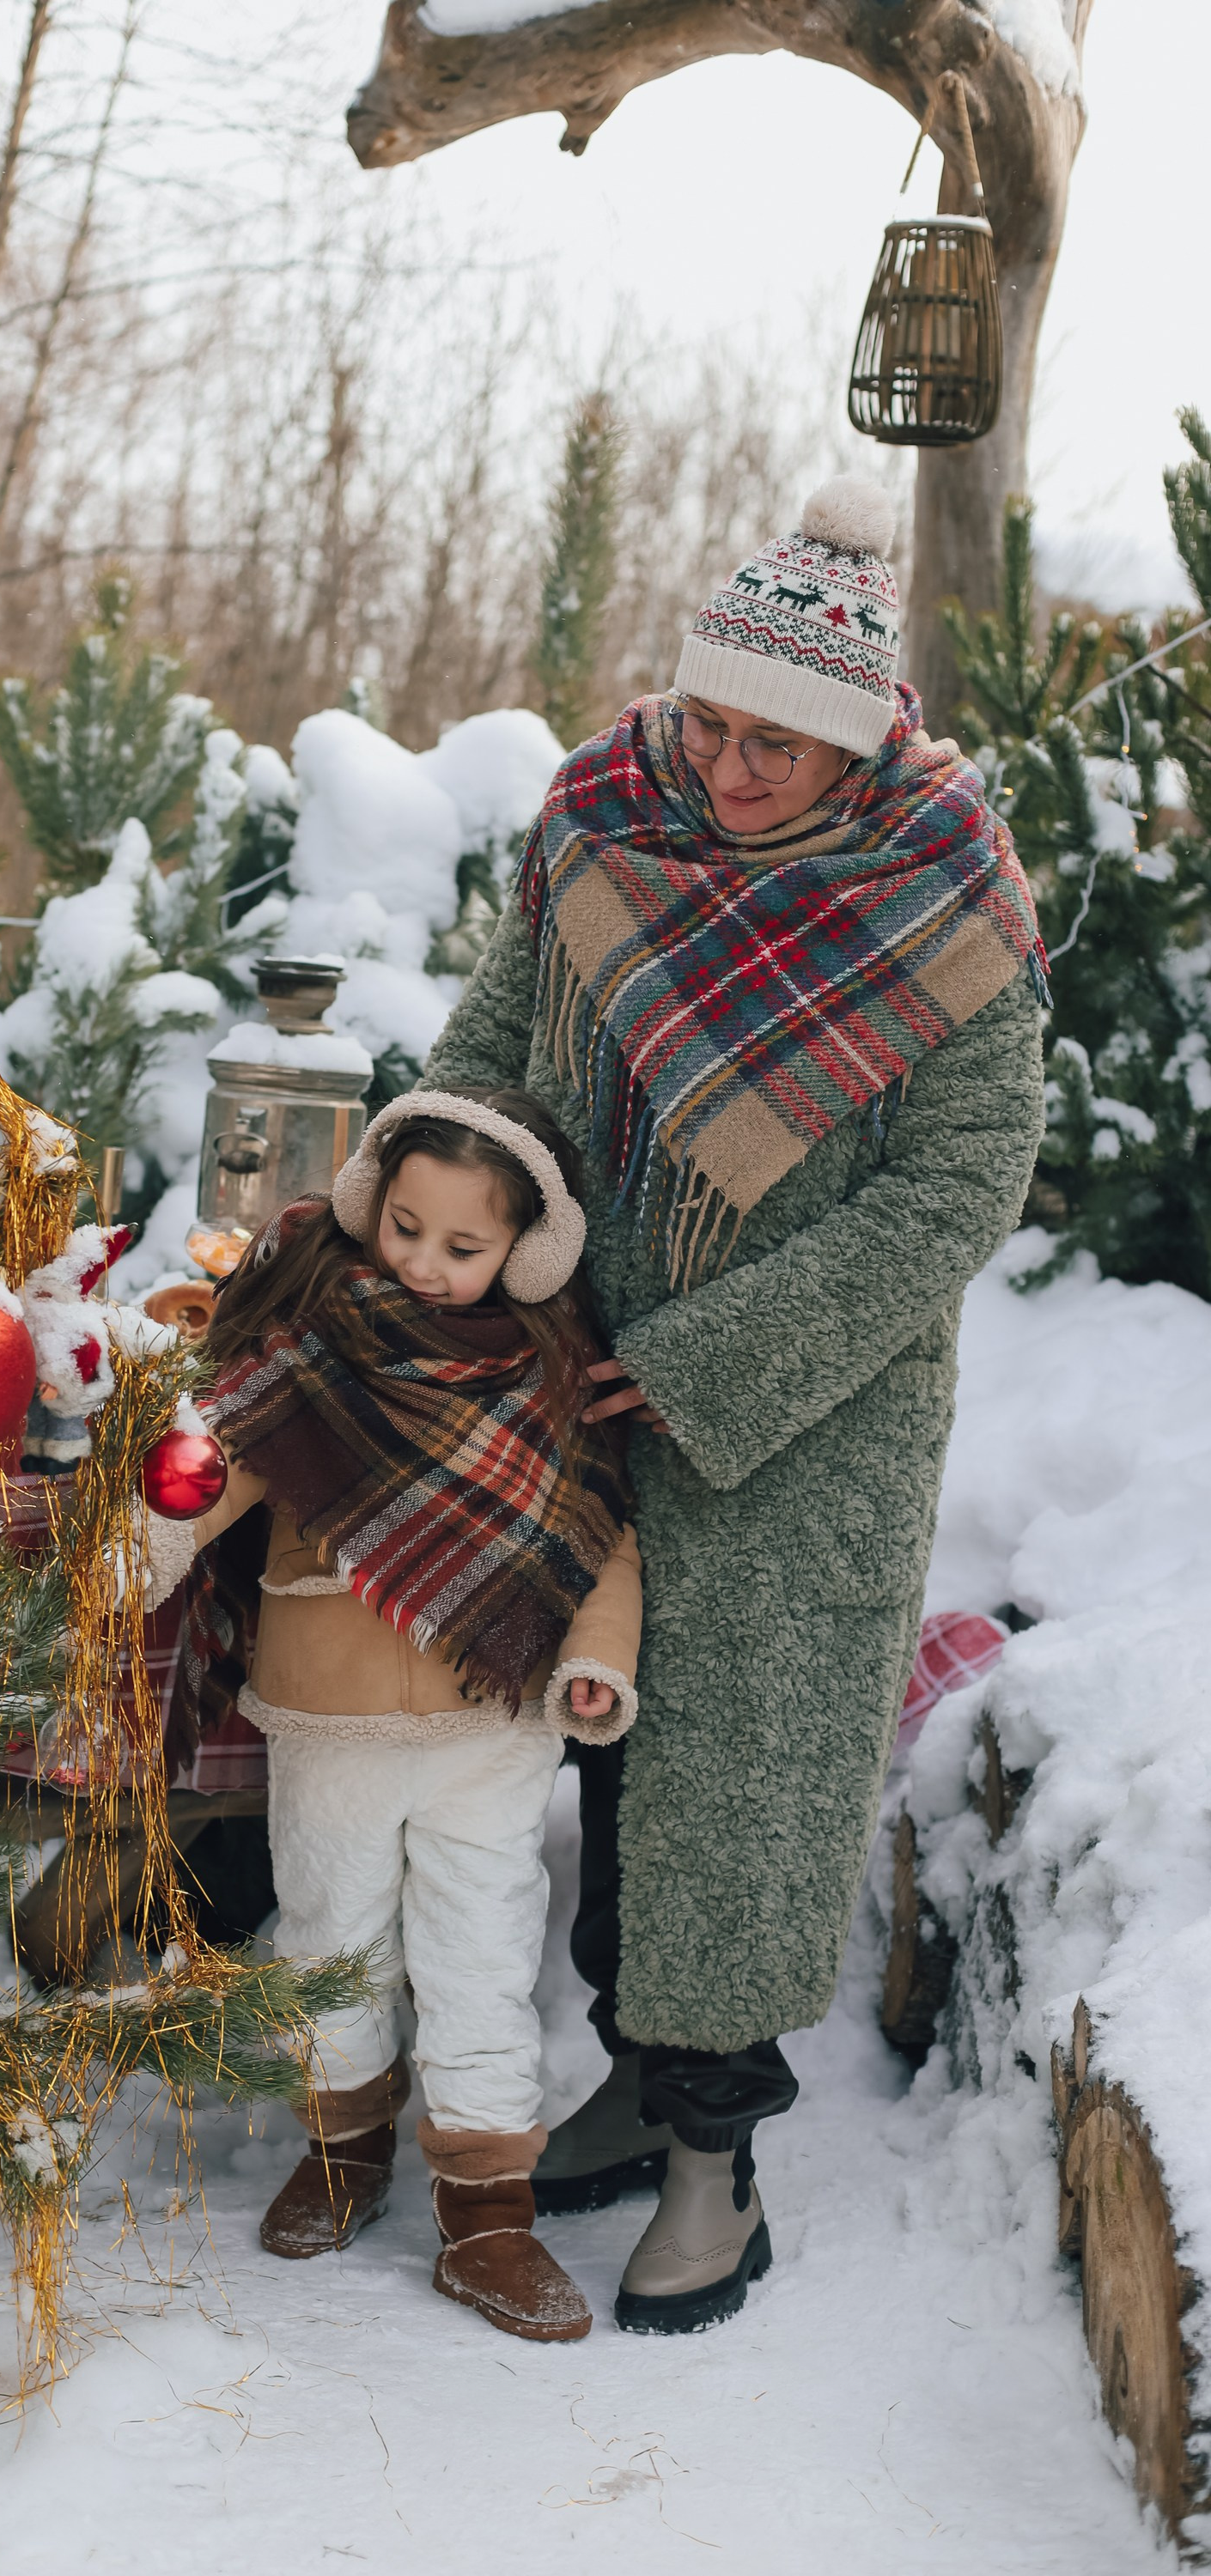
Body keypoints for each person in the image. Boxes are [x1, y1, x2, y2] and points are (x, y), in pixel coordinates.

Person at [422, 476, 1048, 2334]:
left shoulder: (940, 897)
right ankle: (631, 2065)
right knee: (607, 1745)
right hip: (568, 1364)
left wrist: (711, 1360)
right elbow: (490, 1041)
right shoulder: (602, 825)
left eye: (777, 743)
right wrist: (427, 1192)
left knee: (744, 1779)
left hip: (803, 1422)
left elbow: (961, 1187)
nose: (730, 766)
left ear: (862, 740)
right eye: (709, 721)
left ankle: (716, 2165)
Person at [138, 1089, 642, 2344]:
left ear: (527, 1251)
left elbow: (605, 1539)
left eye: (461, 1249)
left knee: (481, 1955)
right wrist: (140, 1536)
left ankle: (489, 2215)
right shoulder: (309, 1353)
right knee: (330, 1936)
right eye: (405, 1228)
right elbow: (216, 1470)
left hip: (493, 1728)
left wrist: (593, 1655)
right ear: (371, 1204)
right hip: (332, 1719)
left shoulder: (551, 1374)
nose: (423, 1263)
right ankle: (344, 2148)